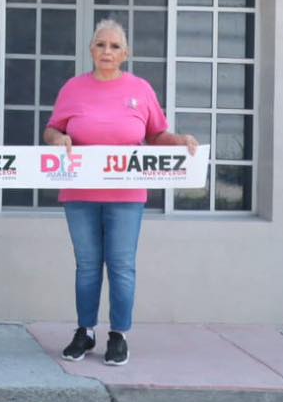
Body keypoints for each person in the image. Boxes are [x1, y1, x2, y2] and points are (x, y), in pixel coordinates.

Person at [44, 18, 198, 367]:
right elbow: (51, 129)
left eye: (114, 46)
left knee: (122, 265)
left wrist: (181, 141)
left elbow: (157, 134)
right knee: (86, 266)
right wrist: (60, 139)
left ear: (125, 53)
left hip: (126, 195)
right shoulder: (73, 88)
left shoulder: (140, 89)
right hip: (80, 193)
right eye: (101, 45)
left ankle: (118, 335)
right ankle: (85, 331)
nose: (107, 52)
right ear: (91, 50)